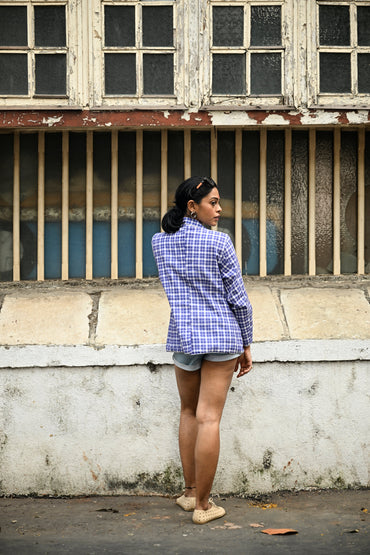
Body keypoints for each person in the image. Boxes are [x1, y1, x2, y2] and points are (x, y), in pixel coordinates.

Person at [151, 176, 253, 525]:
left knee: (188, 412)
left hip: (183, 337)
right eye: (213, 202)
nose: (220, 208)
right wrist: (247, 342)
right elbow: (239, 299)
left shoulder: (159, 242)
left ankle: (190, 492)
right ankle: (204, 506)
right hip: (223, 337)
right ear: (192, 207)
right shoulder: (219, 243)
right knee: (209, 417)